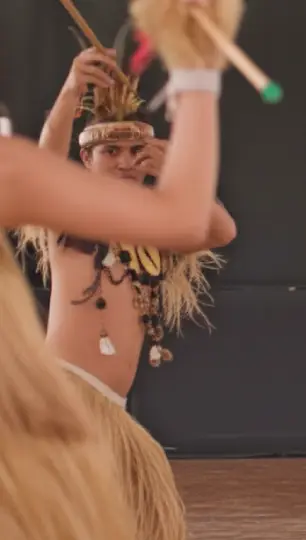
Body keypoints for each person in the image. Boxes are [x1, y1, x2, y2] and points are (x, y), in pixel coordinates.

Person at [9, 1, 244, 538]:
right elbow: (44, 164)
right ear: (85, 161)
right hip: (64, 398)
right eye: (108, 149)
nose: (121, 158)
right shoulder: (69, 222)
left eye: (134, 148)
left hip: (112, 410)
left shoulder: (156, 230)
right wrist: (71, 94)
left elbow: (220, 231)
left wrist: (179, 174)